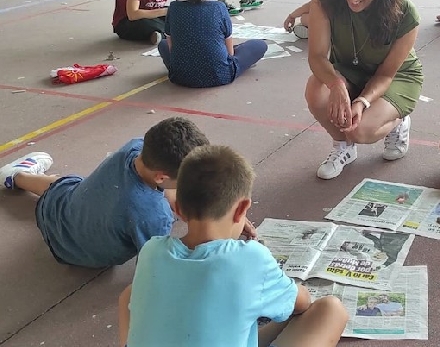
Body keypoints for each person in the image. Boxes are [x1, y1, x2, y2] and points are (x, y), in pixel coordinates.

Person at [118, 144, 349, 347]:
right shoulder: (251, 259)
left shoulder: (151, 250)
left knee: (130, 294)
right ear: (242, 209)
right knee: (330, 310)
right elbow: (302, 303)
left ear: (178, 210)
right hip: (277, 289)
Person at [0, 117, 210, 268]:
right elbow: (153, 265)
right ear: (161, 177)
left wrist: (170, 193)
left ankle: (16, 176)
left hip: (55, 211)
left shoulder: (134, 147)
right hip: (77, 257)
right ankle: (17, 175)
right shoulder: (154, 216)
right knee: (66, 185)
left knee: (63, 184)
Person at [305, 0, 423, 180]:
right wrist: (336, 83)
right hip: (348, 69)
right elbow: (317, 56)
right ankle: (343, 148)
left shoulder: (405, 12)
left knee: (360, 131)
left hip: (394, 77)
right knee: (316, 89)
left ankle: (398, 120)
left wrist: (362, 102)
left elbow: (386, 74)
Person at [158, 0, 267, 88]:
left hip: (180, 75)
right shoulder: (219, 7)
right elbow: (229, 51)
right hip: (220, 74)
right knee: (259, 45)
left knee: (163, 44)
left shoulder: (174, 8)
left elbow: (171, 47)